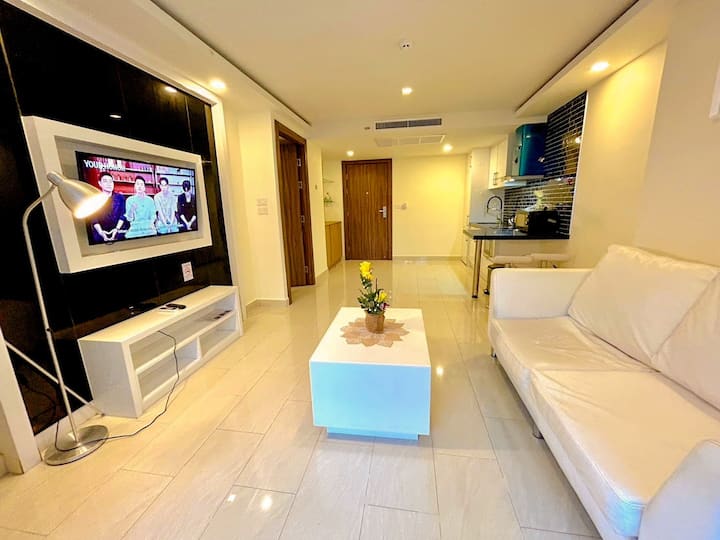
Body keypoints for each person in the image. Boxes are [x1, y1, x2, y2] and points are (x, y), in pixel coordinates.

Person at [89, 172, 125, 243]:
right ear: (100, 183)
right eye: (105, 181)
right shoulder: (94, 199)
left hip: (118, 231)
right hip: (100, 232)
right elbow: (94, 219)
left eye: (110, 181)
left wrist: (117, 229)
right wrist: (101, 232)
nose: (109, 184)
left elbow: (123, 215)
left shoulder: (120, 197)